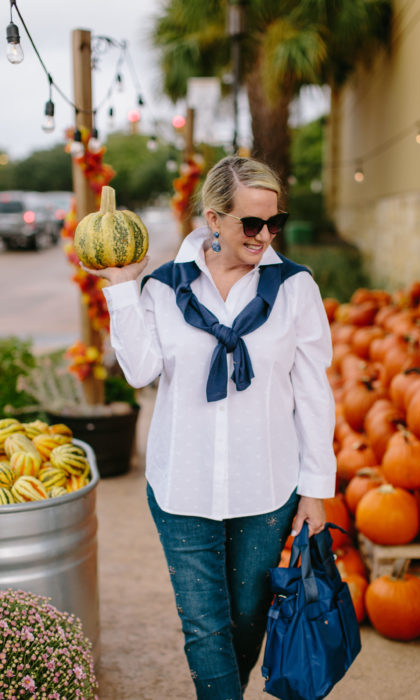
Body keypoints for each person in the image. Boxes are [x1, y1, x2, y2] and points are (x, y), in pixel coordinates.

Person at [92, 156, 336, 699]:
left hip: (267, 486)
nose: (265, 236)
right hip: (182, 483)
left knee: (247, 619)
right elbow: (139, 372)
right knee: (204, 628)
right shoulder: (162, 286)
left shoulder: (295, 288)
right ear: (214, 219)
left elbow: (315, 392)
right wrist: (121, 289)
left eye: (274, 223)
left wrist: (317, 489)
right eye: (252, 224)